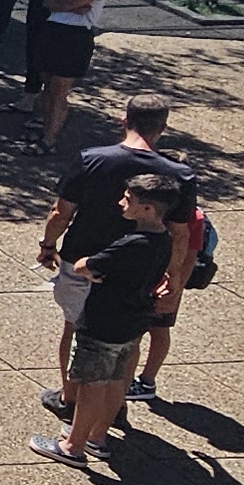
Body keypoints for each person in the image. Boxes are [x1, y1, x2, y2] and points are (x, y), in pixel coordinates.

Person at [39, 100, 195, 401]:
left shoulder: (91, 160)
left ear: (124, 121)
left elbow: (61, 212)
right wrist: (172, 275)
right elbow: (180, 233)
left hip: (84, 258)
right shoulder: (181, 175)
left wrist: (48, 245)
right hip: (142, 266)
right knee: (128, 336)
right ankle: (114, 403)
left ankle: (69, 398)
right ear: (162, 128)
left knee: (74, 326)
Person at [34, 171, 177, 471]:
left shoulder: (132, 243)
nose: (121, 202)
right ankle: (97, 437)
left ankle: (72, 446)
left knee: (91, 382)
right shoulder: (164, 238)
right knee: (116, 380)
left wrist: (92, 270)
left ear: (148, 208)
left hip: (103, 321)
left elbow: (86, 265)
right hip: (133, 321)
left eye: (129, 199)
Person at [28, 0, 116, 148]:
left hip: (75, 36)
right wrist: (69, 2)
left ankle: (50, 138)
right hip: (53, 29)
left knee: (59, 89)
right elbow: (48, 1)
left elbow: (69, 1)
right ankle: (45, 128)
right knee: (47, 84)